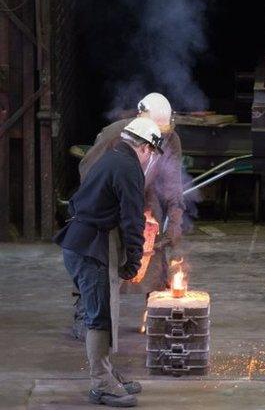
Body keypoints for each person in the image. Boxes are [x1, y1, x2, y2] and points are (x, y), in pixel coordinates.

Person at [54, 117, 164, 407]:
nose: (150, 158)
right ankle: (101, 385)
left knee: (102, 312)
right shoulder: (129, 168)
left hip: (78, 243)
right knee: (99, 316)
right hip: (91, 249)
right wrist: (135, 259)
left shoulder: (109, 157)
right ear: (144, 148)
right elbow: (132, 220)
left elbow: (78, 202)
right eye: (151, 152)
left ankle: (108, 373)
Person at [72, 93, 185, 337]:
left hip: (145, 197)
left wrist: (175, 221)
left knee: (152, 253)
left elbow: (173, 184)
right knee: (103, 260)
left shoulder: (171, 139)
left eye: (164, 133)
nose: (160, 139)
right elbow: (89, 173)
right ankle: (88, 312)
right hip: (110, 201)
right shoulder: (114, 135)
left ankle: (157, 312)